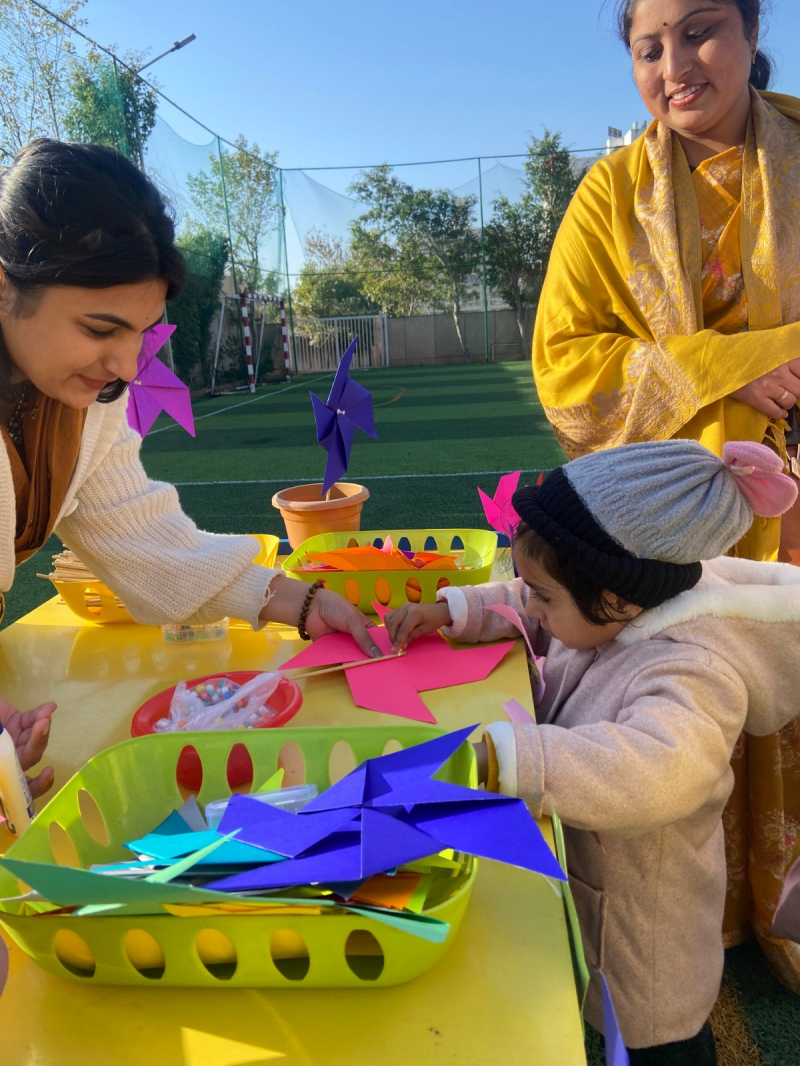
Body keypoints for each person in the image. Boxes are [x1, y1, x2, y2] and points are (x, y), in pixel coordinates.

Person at [532, 0, 800, 983]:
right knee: (682, 707)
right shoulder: (610, 194)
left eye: (698, 31)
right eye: (648, 48)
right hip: (679, 512)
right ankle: (712, 916)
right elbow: (564, 364)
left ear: (751, 30)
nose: (673, 64)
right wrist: (724, 367)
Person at [384, 439, 799, 1064]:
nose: (534, 606)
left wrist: (511, 757)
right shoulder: (611, 600)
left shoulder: (694, 669)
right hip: (595, 882)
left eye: (545, 597)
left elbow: (657, 771)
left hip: (645, 940)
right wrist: (452, 610)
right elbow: (531, 598)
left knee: (656, 1044)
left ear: (621, 599)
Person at [0, 138, 381, 800]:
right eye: (100, 329)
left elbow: (146, 542)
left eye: (139, 333)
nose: (125, 365)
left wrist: (302, 601)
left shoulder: (87, 406)